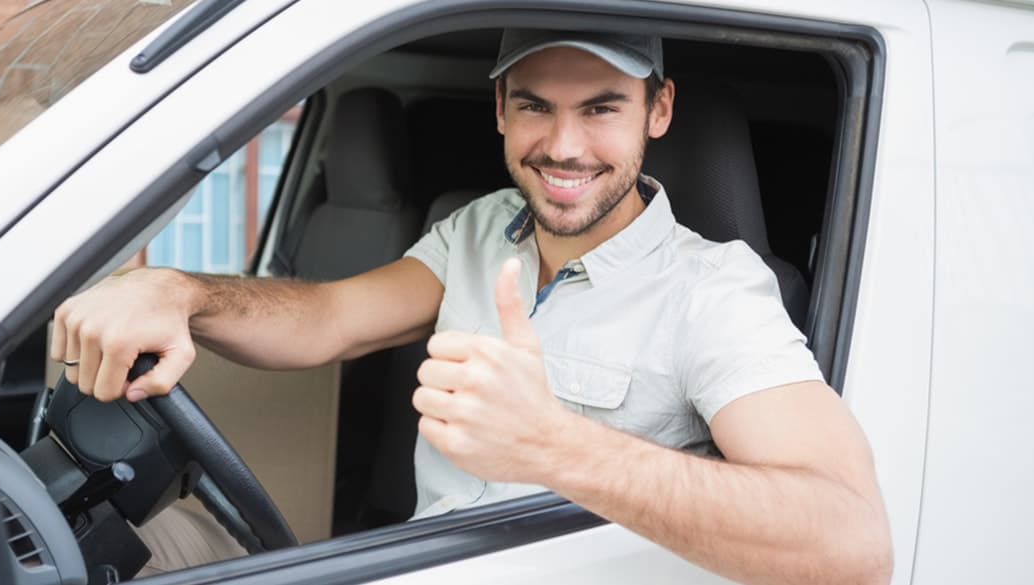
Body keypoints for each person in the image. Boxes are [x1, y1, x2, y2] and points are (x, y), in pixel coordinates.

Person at [52, 29, 893, 584]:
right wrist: (179, 290)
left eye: (601, 108)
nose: (564, 146)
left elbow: (850, 540)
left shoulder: (714, 290)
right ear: (500, 109)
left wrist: (557, 446)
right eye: (536, 105)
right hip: (402, 559)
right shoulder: (481, 228)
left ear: (658, 110)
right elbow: (329, 320)